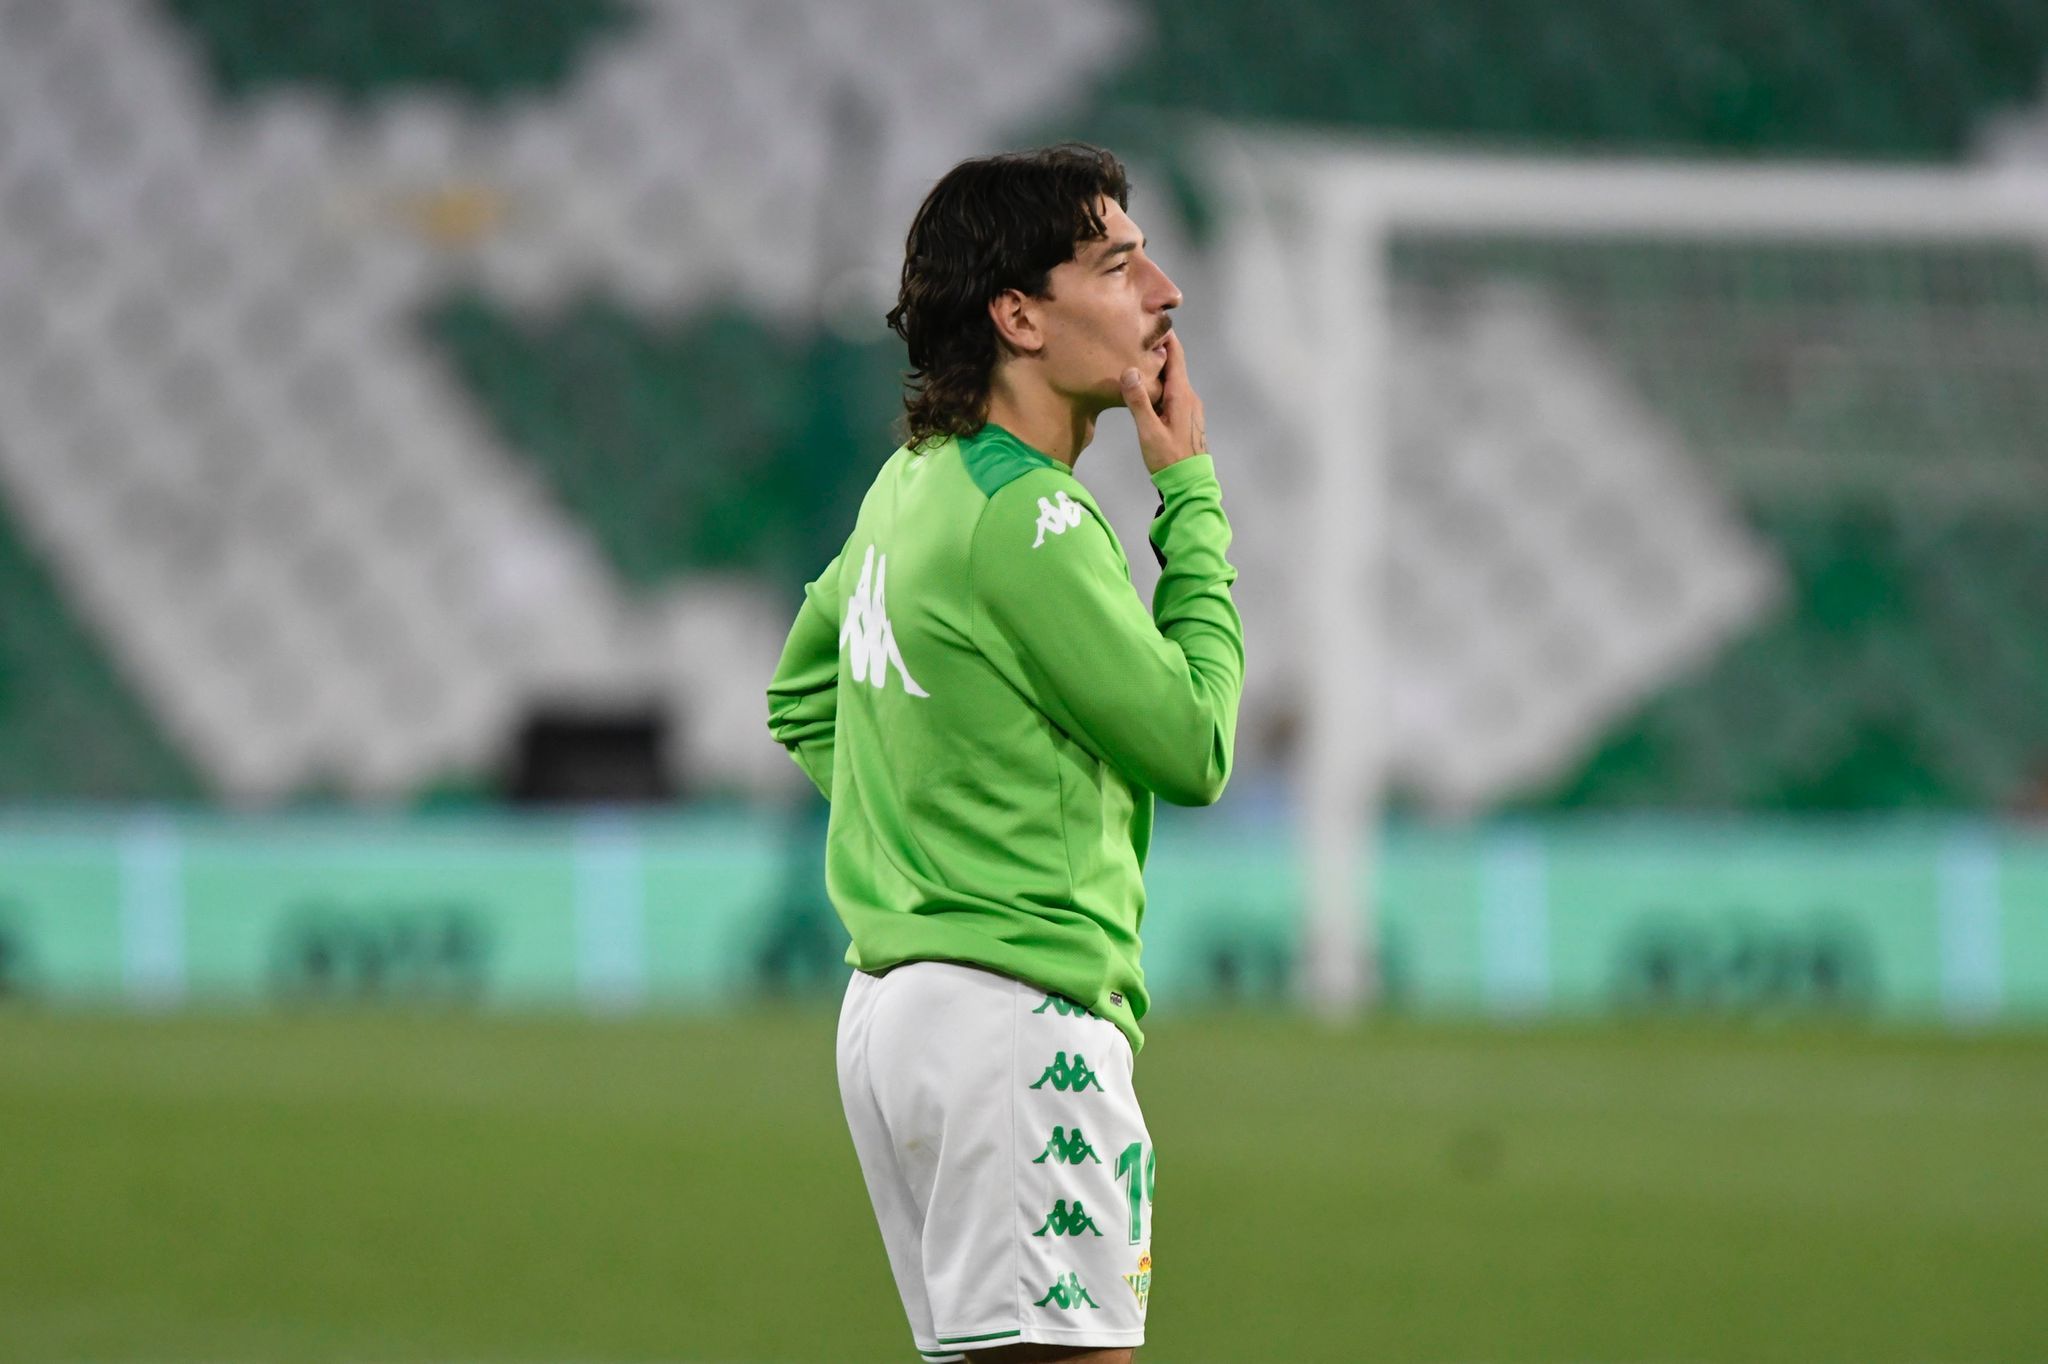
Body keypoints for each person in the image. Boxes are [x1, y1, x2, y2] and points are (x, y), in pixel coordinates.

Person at [765, 142, 1243, 1364]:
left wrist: (930, 831)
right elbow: (1193, 744)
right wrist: (1187, 496)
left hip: (896, 1018)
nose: (1163, 290)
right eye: (1118, 262)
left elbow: (801, 692)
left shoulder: (909, 485)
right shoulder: (1031, 517)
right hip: (1013, 1025)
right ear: (1017, 313)